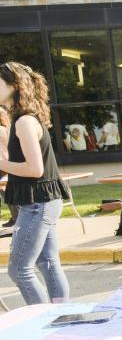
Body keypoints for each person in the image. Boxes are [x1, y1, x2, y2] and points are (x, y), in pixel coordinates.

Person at [0, 62, 71, 305]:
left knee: (19, 270)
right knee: (48, 263)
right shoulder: (23, 119)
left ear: (14, 85)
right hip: (43, 201)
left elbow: (34, 169)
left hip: (38, 204)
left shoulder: (24, 121)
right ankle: (62, 316)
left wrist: (2, 163)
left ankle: (44, 322)